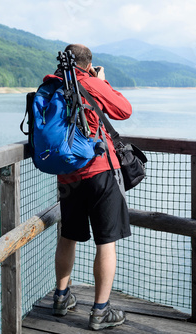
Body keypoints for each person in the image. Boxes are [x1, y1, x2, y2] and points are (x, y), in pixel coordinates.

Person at [46, 44, 132, 331]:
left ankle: (61, 298)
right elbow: (124, 110)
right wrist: (101, 80)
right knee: (106, 242)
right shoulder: (91, 82)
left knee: (68, 235)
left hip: (68, 175)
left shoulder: (52, 86)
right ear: (88, 64)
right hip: (101, 172)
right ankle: (99, 312)